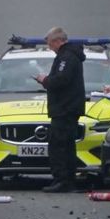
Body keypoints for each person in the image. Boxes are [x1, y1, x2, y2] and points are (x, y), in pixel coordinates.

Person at [35, 27, 86, 193]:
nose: (50, 48)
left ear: (58, 41)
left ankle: (62, 180)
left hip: (65, 109)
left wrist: (45, 80)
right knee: (67, 145)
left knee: (59, 146)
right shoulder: (68, 56)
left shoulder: (67, 57)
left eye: (50, 44)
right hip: (67, 108)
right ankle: (67, 180)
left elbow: (61, 80)